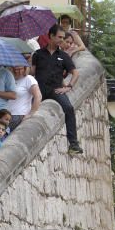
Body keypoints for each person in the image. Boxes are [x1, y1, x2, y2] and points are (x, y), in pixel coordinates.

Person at [31, 24, 83, 155]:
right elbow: (31, 72)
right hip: (40, 91)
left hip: (56, 90)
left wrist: (68, 87)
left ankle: (73, 144)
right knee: (29, 111)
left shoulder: (64, 56)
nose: (62, 40)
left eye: (63, 37)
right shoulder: (38, 54)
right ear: (51, 36)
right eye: (59, 37)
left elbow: (75, 73)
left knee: (69, 108)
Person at [5, 64, 42, 131]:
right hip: (6, 114)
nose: (18, 72)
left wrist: (31, 113)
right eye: (16, 69)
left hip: (18, 115)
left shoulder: (29, 79)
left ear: (25, 68)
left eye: (21, 69)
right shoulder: (9, 79)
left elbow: (38, 96)